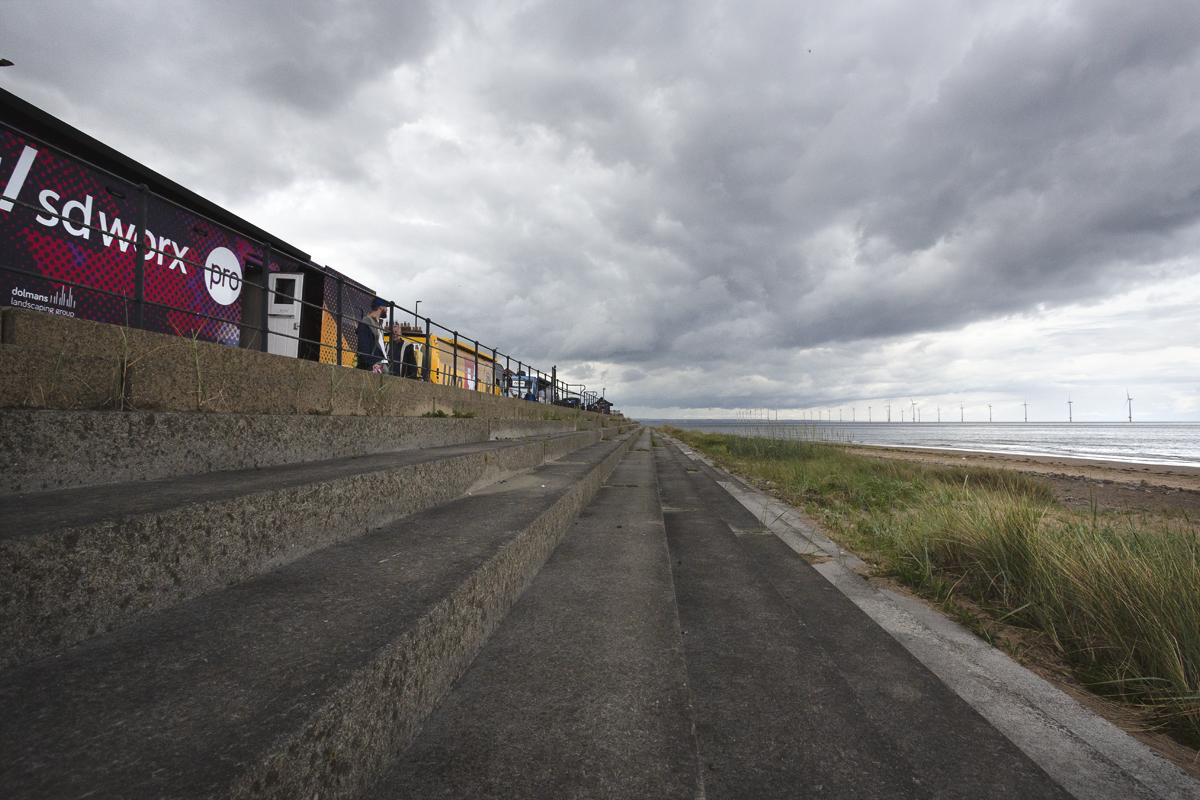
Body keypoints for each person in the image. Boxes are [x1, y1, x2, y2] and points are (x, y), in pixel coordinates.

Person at [356, 298, 390, 373]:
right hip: (375, 364)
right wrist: (372, 363)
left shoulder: (378, 324)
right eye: (386, 307)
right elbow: (363, 345)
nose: (387, 310)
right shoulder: (366, 323)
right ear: (380, 307)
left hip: (382, 362)